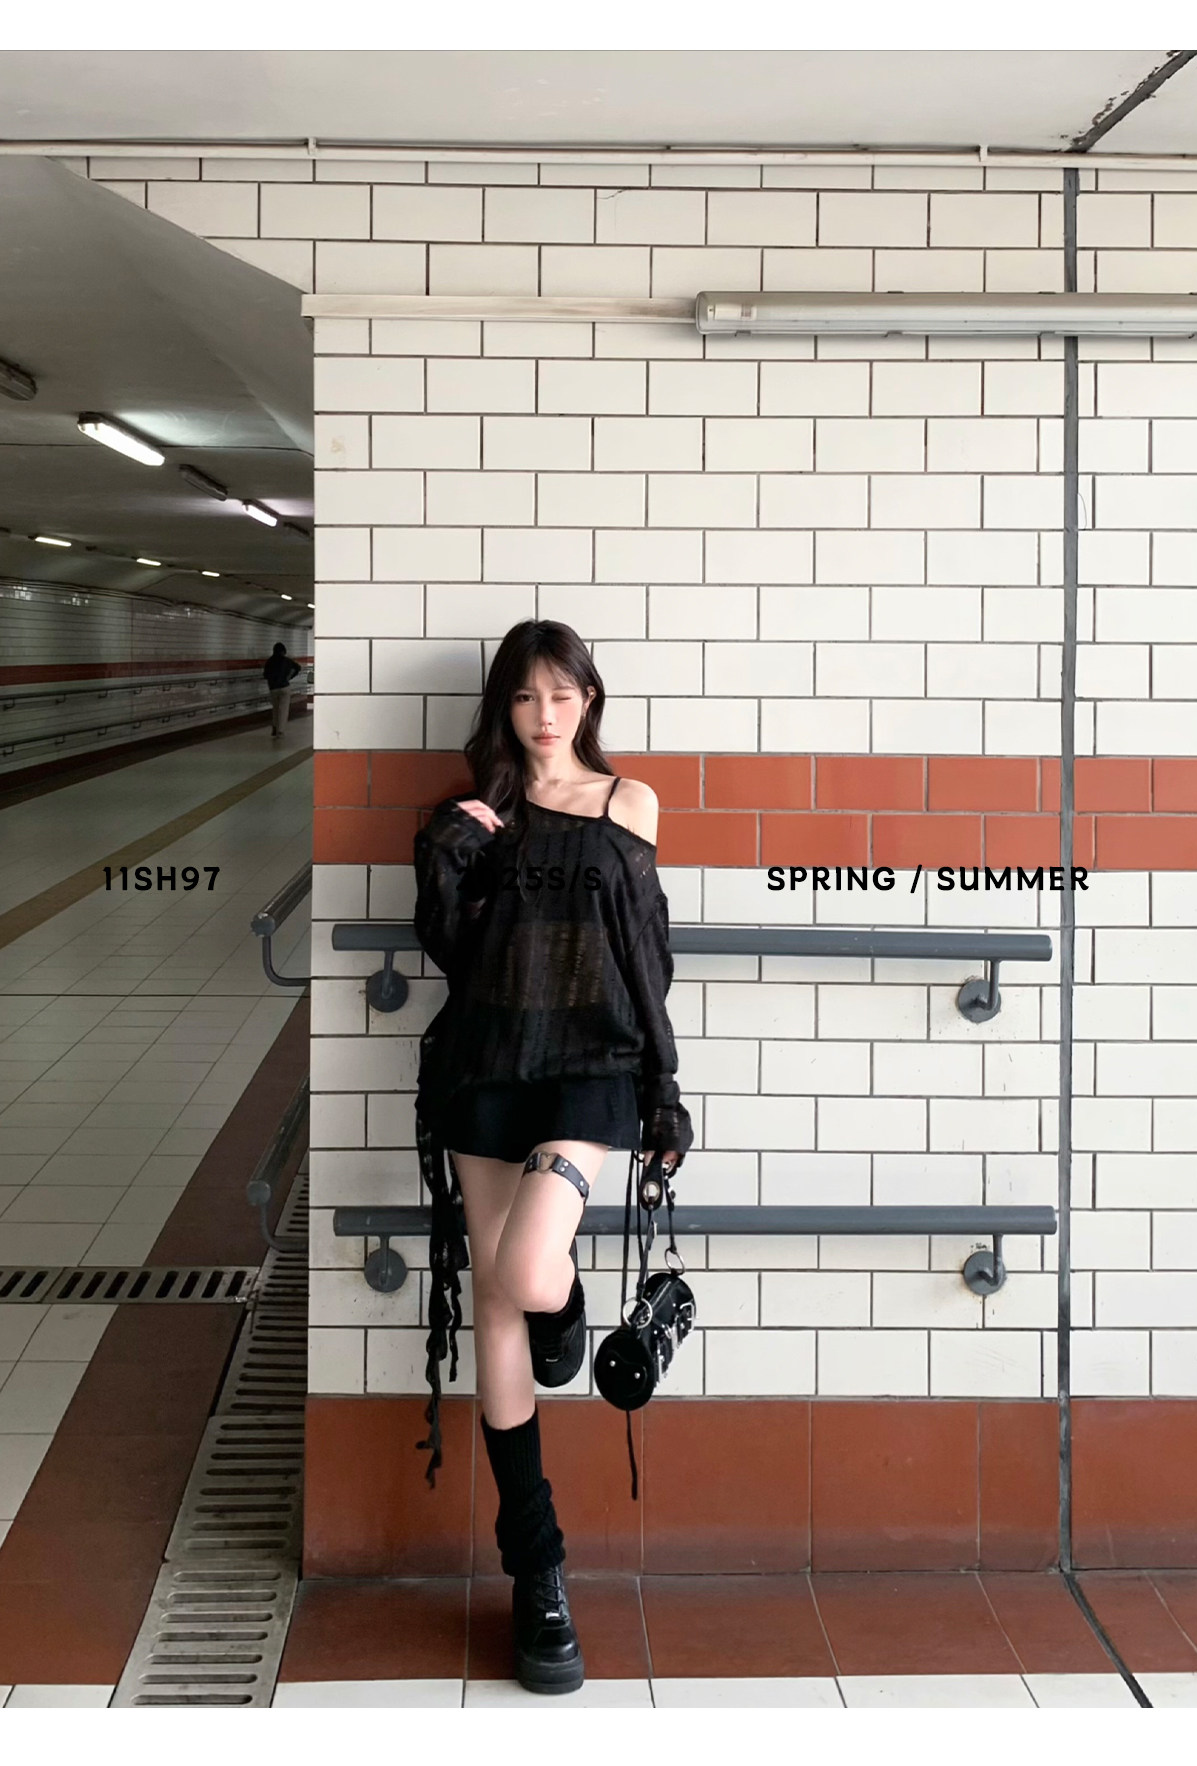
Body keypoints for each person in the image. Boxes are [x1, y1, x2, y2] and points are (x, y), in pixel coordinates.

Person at [412, 619, 692, 1697]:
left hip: (588, 1069)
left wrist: (662, 1085)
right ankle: (539, 1573)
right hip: (487, 1066)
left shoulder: (629, 803)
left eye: (562, 694)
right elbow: (453, 951)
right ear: (504, 706)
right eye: (525, 696)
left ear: (588, 700)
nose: (544, 715)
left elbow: (645, 955)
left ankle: (562, 1313)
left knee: (527, 1273)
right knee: (495, 1299)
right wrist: (446, 856)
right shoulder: (476, 815)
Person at [263, 642, 300, 739]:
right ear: (284, 651)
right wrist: (289, 677)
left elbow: (265, 675)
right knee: (283, 710)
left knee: (275, 709)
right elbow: (298, 668)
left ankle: (275, 727)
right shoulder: (286, 660)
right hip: (284, 687)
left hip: (273, 688)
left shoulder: (270, 661)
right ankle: (280, 731)